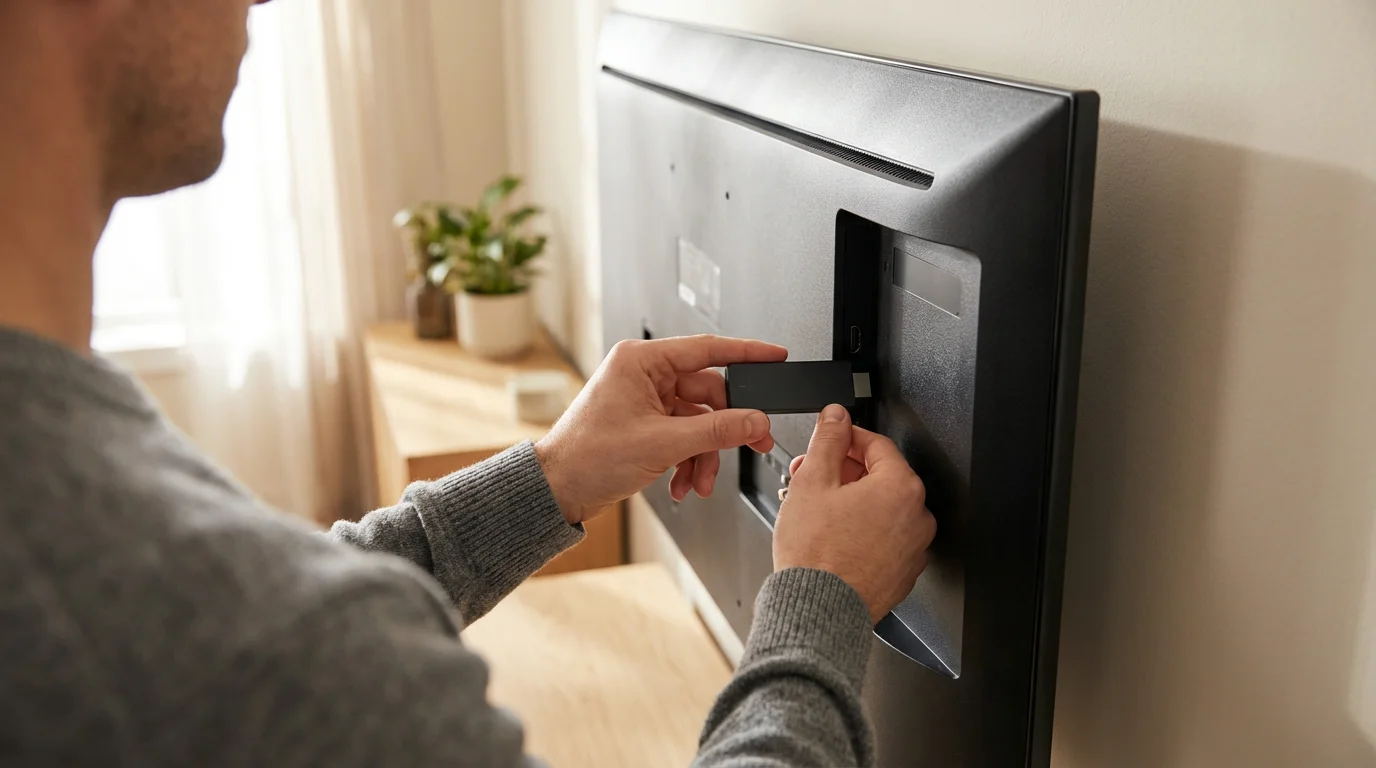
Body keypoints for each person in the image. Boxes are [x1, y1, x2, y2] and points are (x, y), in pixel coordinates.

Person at [0, 1, 938, 766]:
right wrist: (823, 600)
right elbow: (273, 641)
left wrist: (555, 474)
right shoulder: (255, 642)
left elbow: (229, 638)